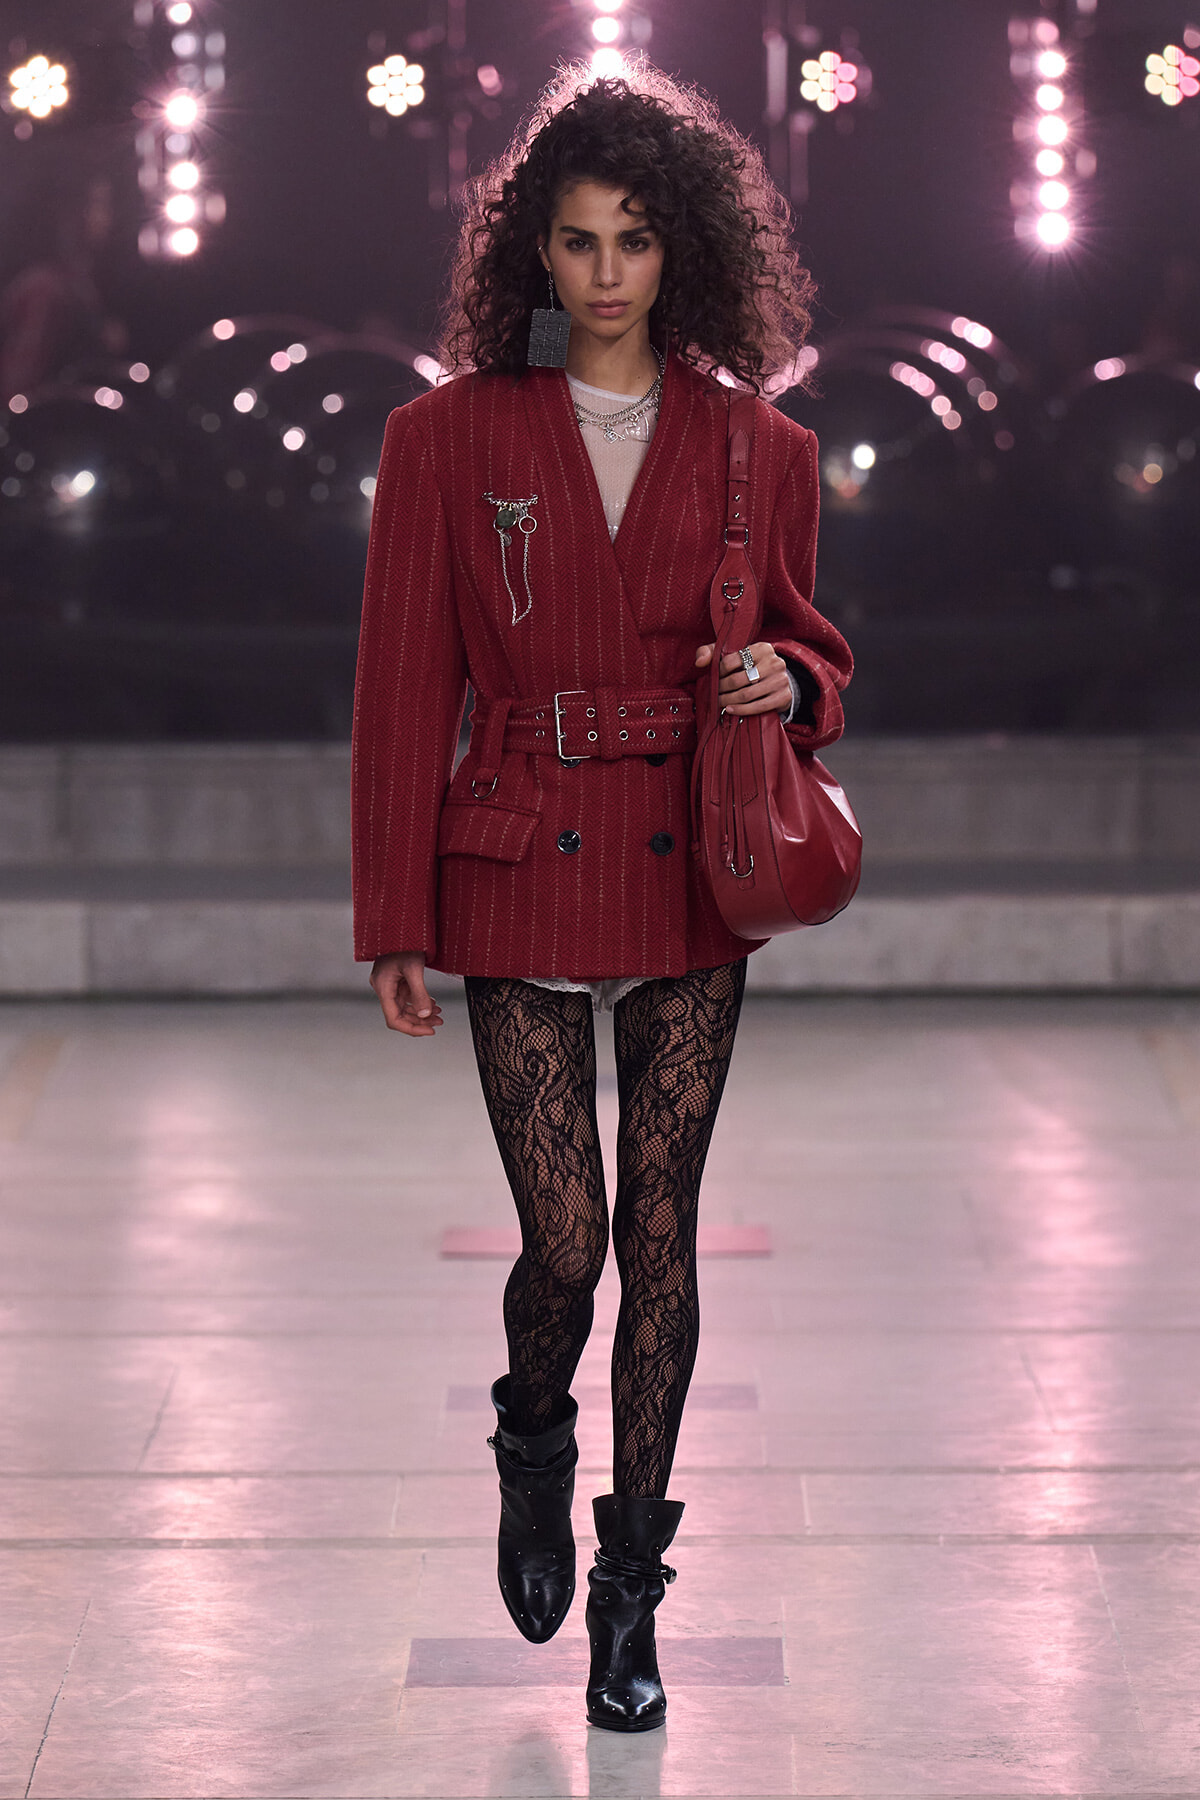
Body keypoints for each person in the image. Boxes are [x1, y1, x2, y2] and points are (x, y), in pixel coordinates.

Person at [351, 64, 852, 1732]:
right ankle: (531, 1435)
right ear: (533, 258)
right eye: (577, 242)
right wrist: (392, 913)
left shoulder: (757, 442)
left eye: (637, 240)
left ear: (682, 250)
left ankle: (630, 1591)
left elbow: (806, 639)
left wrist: (786, 678)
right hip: (512, 856)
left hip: (686, 865)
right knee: (565, 1240)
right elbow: (404, 682)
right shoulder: (445, 436)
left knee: (662, 1236)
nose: (609, 272)